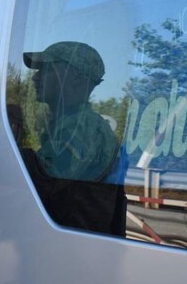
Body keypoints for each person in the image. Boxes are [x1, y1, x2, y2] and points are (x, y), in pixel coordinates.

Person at [21, 41, 126, 235]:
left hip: (76, 251)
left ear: (76, 78)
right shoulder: (71, 125)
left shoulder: (83, 128)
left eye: (46, 69)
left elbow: (37, 185)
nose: (35, 78)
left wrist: (11, 137)